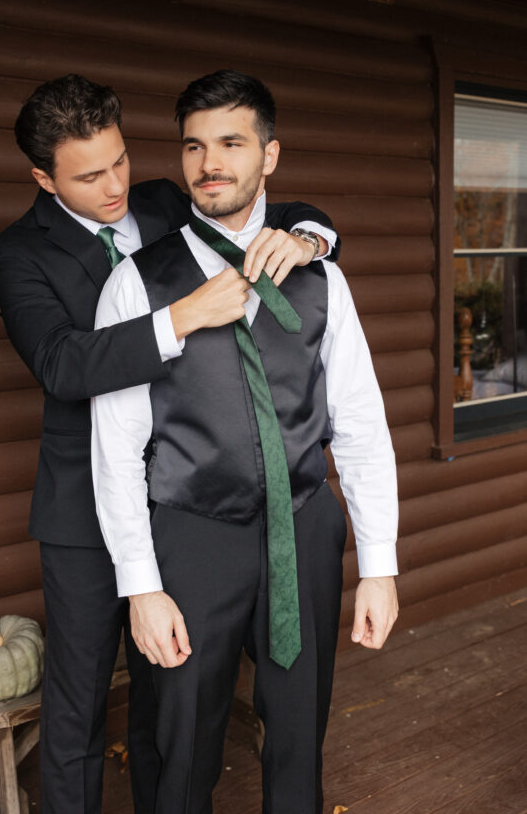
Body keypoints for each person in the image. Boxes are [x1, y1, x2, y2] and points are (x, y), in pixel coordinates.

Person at [0, 73, 339, 814]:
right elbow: (61, 364)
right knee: (79, 703)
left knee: (164, 695)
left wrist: (307, 240)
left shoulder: (158, 199)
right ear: (43, 179)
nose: (114, 186)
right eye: (88, 175)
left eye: (118, 160)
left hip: (181, 508)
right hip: (85, 510)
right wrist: (180, 318)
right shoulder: (15, 254)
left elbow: (279, 205)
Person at [92, 70, 399, 814]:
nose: (209, 164)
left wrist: (379, 565)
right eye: (194, 146)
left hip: (305, 523)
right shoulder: (139, 284)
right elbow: (115, 447)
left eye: (231, 143)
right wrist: (141, 586)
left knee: (298, 731)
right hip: (192, 540)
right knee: (182, 740)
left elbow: (359, 423)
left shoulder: (321, 278)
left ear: (269, 156)